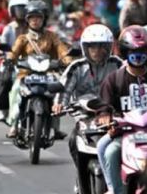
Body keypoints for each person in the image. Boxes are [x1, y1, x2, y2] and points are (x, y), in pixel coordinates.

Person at [96, 25, 147, 194]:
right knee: (108, 151)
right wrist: (104, 116)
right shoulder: (114, 79)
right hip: (124, 134)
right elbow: (104, 105)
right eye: (133, 52)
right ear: (125, 53)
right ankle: (115, 189)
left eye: (143, 52)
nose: (138, 57)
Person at [52, 24, 123, 194]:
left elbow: (127, 83)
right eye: (92, 46)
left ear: (109, 47)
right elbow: (64, 89)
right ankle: (81, 179)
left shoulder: (118, 64)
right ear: (85, 47)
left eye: (101, 46)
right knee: (73, 142)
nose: (97, 51)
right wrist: (59, 104)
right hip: (85, 117)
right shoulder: (76, 68)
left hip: (112, 116)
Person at [5, 0, 72, 138]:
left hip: (49, 74)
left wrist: (68, 60)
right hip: (26, 74)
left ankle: (55, 127)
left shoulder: (52, 36)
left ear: (44, 19)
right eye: (31, 17)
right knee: (16, 90)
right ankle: (14, 125)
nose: (35, 21)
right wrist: (10, 58)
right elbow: (14, 52)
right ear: (27, 20)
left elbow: (62, 50)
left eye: (38, 17)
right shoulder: (23, 38)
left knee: (58, 91)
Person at [0, 0, 29, 123]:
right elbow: (2, 44)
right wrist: (5, 54)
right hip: (11, 62)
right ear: (12, 11)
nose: (20, 12)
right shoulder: (8, 28)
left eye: (23, 9)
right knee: (7, 81)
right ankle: (2, 109)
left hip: (31, 62)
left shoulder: (32, 27)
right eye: (18, 9)